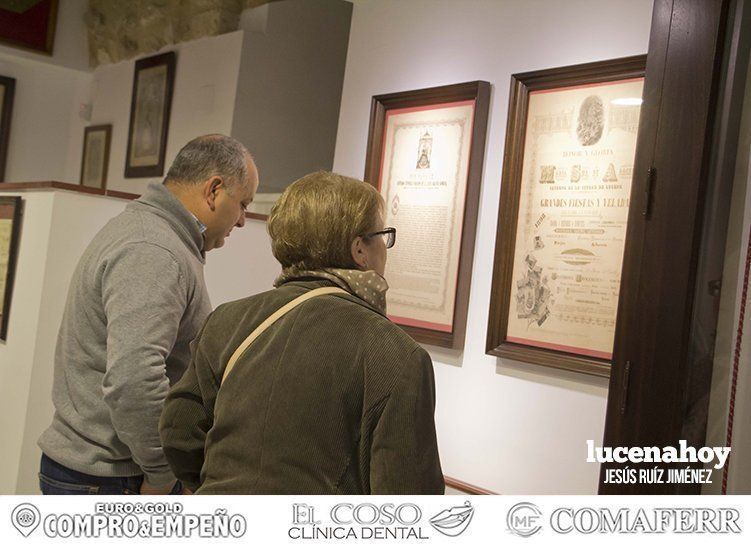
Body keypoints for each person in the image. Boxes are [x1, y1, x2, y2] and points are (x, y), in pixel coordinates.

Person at [159, 171, 444, 494]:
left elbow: (178, 429)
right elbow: (408, 496)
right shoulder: (397, 354)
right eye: (381, 235)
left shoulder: (228, 320)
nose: (385, 248)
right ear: (359, 250)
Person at [37, 134, 259, 495]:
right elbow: (133, 379)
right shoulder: (153, 249)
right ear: (214, 190)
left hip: (106, 474)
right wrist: (162, 475)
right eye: (243, 204)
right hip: (113, 479)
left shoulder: (154, 235)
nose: (244, 220)